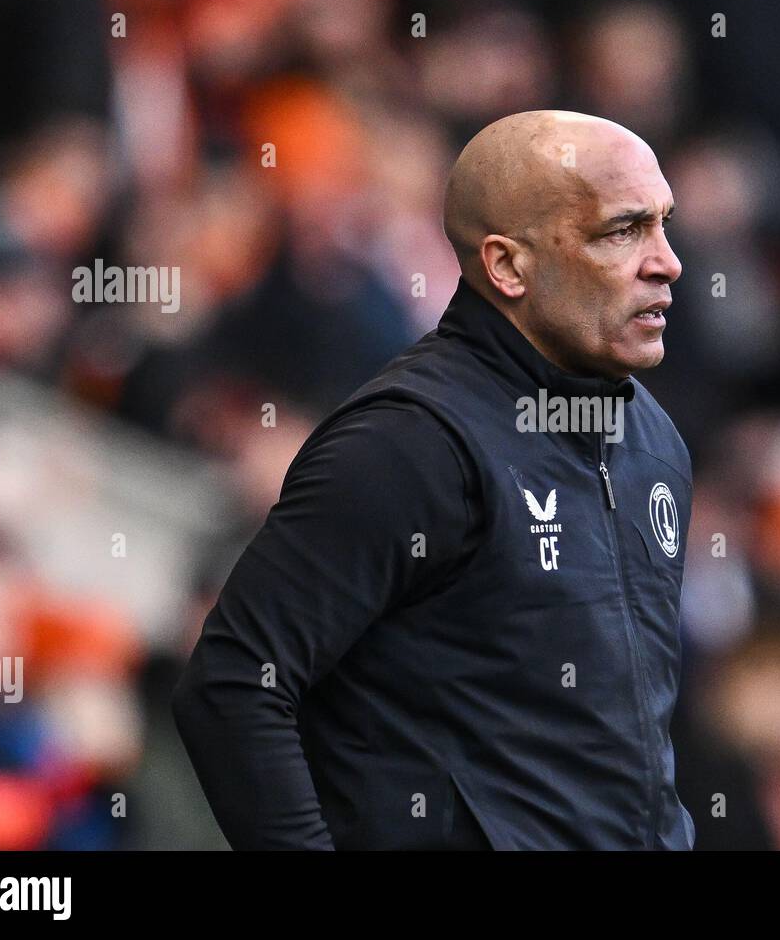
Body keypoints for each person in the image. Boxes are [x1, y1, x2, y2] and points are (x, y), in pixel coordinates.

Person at [172, 110, 694, 849]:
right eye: (622, 231)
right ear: (508, 266)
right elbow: (232, 683)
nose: (667, 261)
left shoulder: (655, 442)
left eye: (664, 224)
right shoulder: (410, 442)